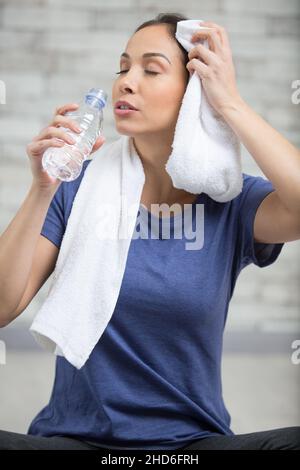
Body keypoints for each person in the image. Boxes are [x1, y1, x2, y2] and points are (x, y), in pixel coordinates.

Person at [0, 12, 300, 451]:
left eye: (151, 69)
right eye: (123, 67)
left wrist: (230, 102)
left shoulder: (230, 200)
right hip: (74, 441)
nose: (126, 81)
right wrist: (42, 190)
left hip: (191, 445)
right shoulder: (76, 189)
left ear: (194, 91)